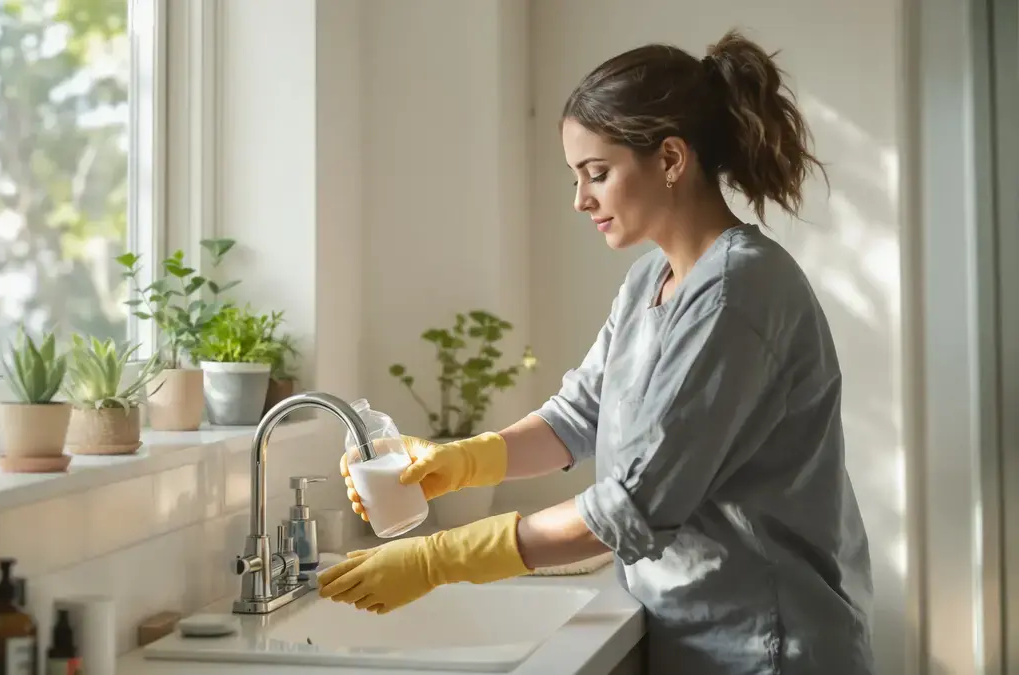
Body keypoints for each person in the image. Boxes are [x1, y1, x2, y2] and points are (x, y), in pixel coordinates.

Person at [317, 28, 874, 675]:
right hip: (695, 630)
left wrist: (439, 558)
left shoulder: (739, 294)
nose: (581, 200)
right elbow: (578, 414)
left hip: (767, 644)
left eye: (597, 174)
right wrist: (458, 461)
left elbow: (630, 508)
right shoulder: (650, 281)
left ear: (670, 159)